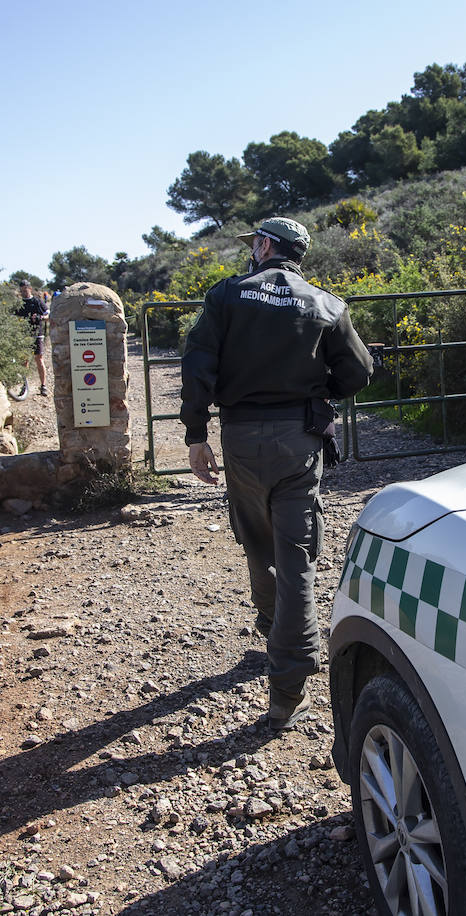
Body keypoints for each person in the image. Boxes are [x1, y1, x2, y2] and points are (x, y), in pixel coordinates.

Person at [180, 217, 373, 731]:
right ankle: (287, 691)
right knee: (297, 557)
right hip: (298, 440)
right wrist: (317, 386)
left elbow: (197, 365)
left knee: (257, 543)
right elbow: (358, 372)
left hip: (241, 439)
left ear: (265, 246)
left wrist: (196, 436)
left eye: (254, 243)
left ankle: (273, 627)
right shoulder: (326, 303)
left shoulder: (225, 296)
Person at [14, 281, 50, 396]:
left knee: (39, 359)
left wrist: (40, 317)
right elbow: (12, 317)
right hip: (23, 336)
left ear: (30, 288)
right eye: (22, 290)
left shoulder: (37, 301)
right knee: (24, 361)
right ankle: (25, 386)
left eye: (25, 289)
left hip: (37, 334)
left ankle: (43, 385)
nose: (24, 292)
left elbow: (48, 315)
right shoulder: (19, 303)